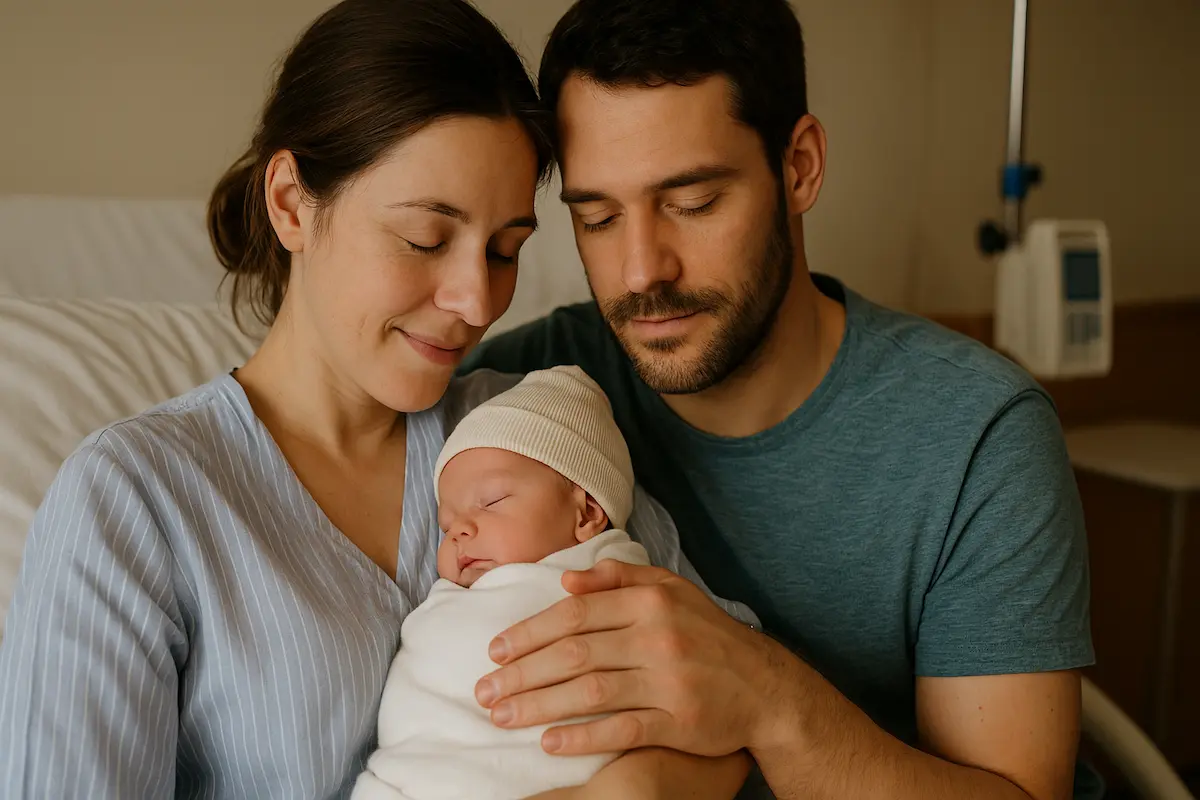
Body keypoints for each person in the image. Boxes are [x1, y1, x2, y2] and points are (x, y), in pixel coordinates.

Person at [0, 1, 749, 797]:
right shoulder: (136, 499)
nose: (475, 300)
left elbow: (742, 706)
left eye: (504, 251)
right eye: (426, 238)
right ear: (291, 202)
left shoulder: (530, 436)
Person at [460, 1, 1101, 799]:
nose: (638, 271)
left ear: (798, 168)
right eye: (596, 218)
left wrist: (765, 698)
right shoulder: (514, 403)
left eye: (692, 203)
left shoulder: (975, 436)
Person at [353, 366, 750, 800]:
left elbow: (718, 690)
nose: (459, 530)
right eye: (446, 525)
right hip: (415, 776)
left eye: (492, 501)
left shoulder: (624, 585)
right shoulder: (453, 598)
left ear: (586, 514)